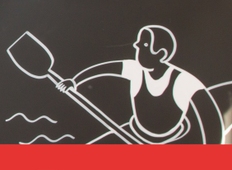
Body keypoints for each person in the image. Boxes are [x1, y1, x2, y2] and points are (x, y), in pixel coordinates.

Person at [57, 25, 224, 144]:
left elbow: (212, 120)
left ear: (161, 54)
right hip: (133, 132)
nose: (136, 47)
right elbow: (105, 68)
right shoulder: (135, 69)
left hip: (172, 140)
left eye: (144, 45)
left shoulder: (183, 81)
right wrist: (75, 81)